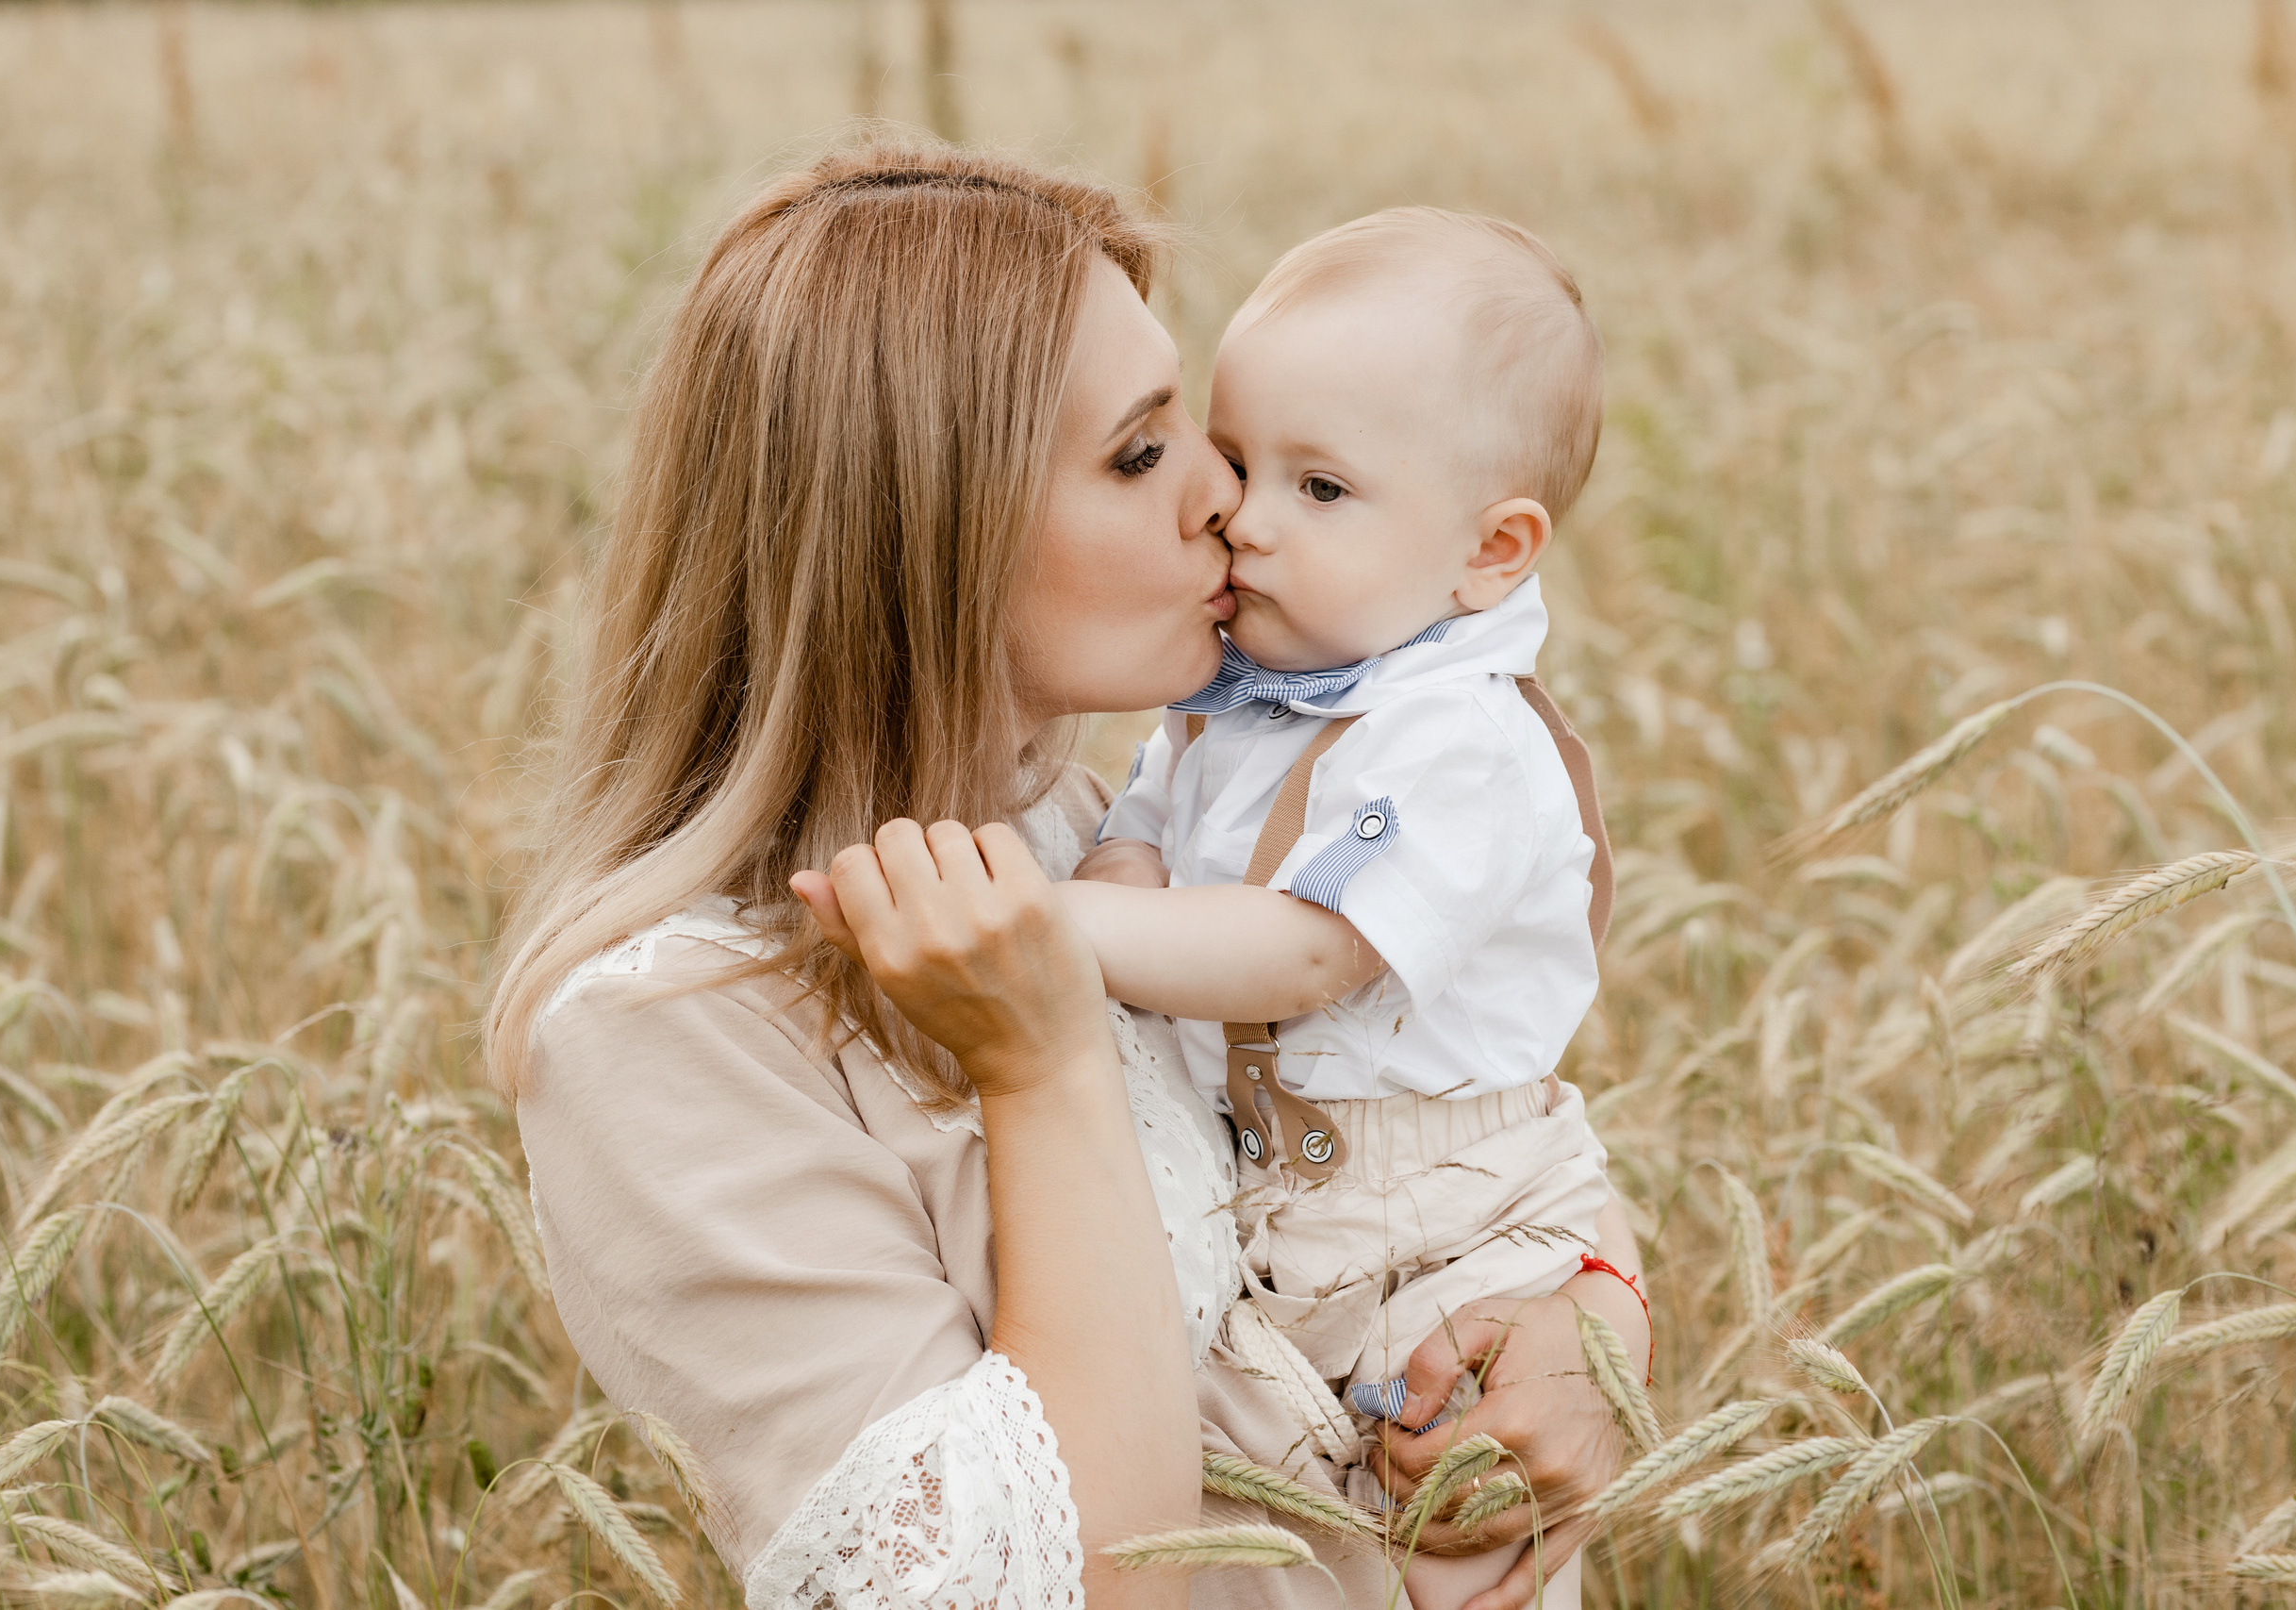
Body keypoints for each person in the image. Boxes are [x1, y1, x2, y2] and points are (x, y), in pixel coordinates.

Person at [486, 140, 1652, 1610]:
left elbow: (1458, 1114)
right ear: (924, 525)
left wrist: (1591, 1329)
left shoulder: (1099, 836)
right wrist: (1038, 1068)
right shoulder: (667, 1035)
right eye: (1142, 451)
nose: (1226, 503)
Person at [1057, 208, 1629, 1609]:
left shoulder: (1458, 742)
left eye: (1321, 490)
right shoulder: (1241, 698)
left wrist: (1051, 930)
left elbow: (1308, 948)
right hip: (1284, 1200)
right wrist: (1115, 882)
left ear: (1491, 551)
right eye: (1239, 460)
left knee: (1447, 1528)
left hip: (1434, 1218)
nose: (1242, 516)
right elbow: (1137, 841)